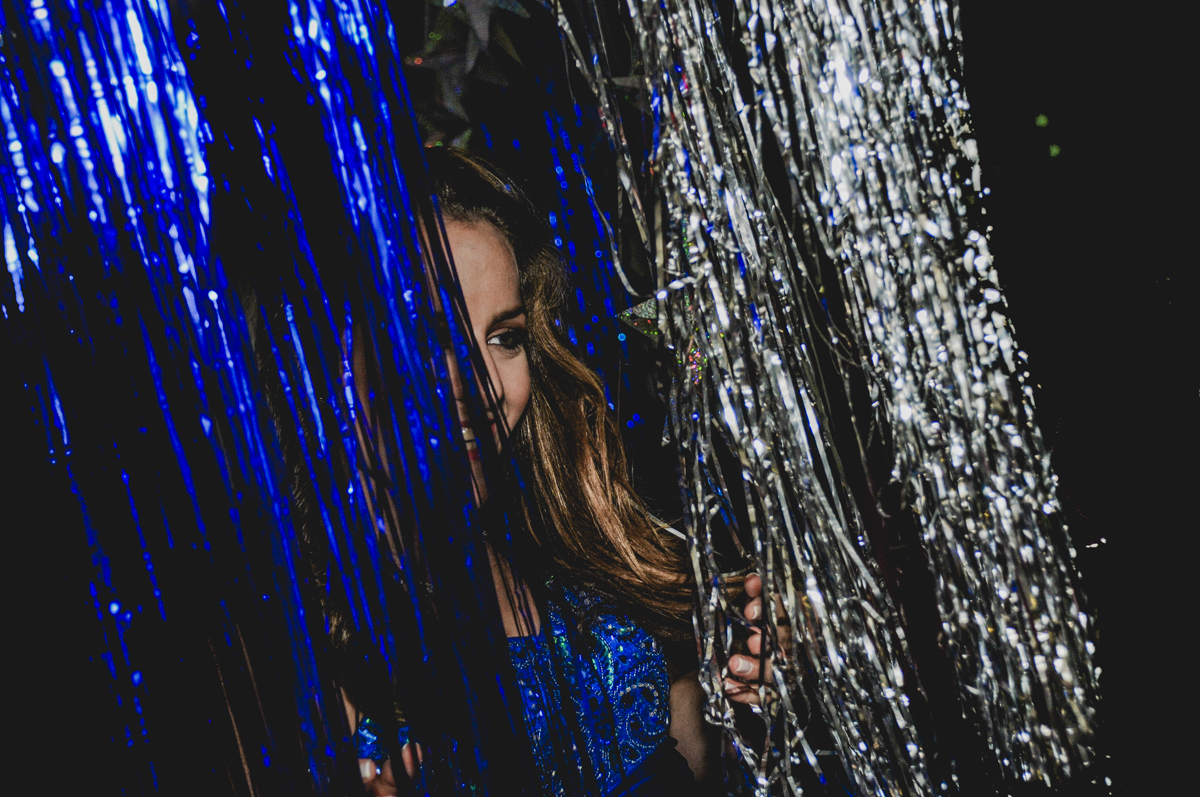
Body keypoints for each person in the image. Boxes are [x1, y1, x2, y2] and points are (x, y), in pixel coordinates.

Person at [339, 149, 781, 795]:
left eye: (505, 338)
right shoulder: (299, 655)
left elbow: (687, 760)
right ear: (335, 360)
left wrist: (752, 689)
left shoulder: (577, 566)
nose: (485, 386)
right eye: (432, 338)